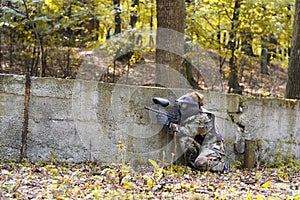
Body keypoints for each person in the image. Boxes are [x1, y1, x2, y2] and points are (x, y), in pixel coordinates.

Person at [157, 91, 228, 172]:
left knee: (200, 164)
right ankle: (195, 165)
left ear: (193, 106)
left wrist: (169, 123)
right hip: (201, 145)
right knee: (184, 139)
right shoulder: (192, 115)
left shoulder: (203, 117)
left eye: (185, 105)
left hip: (212, 148)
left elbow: (186, 130)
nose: (182, 107)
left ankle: (221, 166)